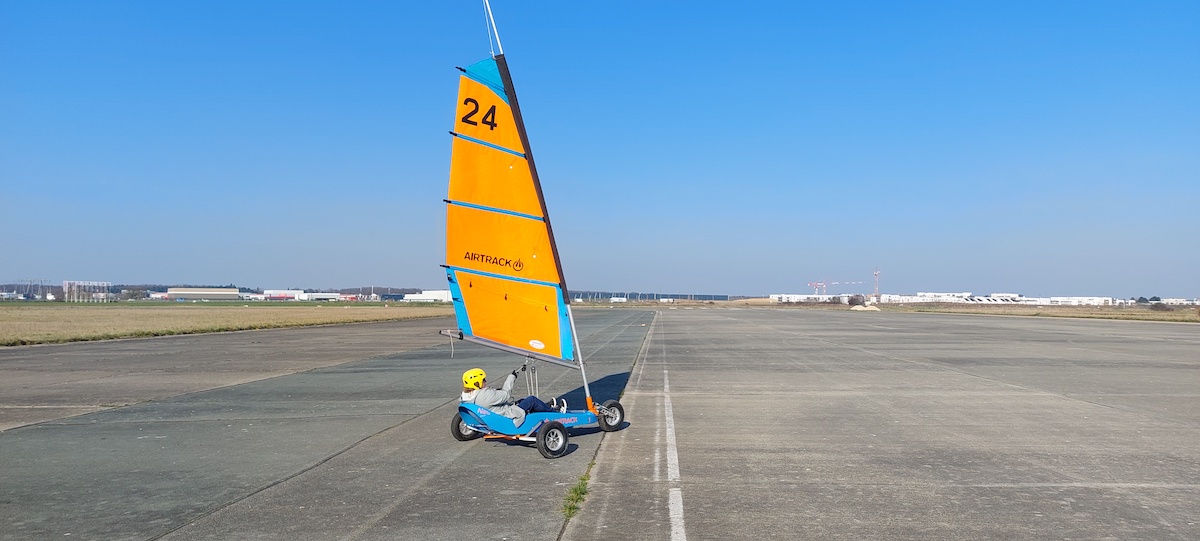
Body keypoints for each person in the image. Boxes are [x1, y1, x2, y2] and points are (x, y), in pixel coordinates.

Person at [461, 367, 562, 427]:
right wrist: (512, 377)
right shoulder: (485, 395)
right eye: (483, 380)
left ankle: (546, 406)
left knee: (522, 401)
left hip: (492, 416)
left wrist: (495, 391)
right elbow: (506, 394)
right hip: (506, 419)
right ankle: (557, 414)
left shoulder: (466, 397)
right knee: (532, 400)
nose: (485, 381)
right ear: (476, 383)